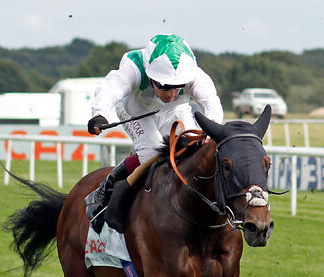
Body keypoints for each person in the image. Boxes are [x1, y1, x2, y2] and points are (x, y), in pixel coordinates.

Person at [86, 34, 224, 233]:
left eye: (178, 87)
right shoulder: (134, 67)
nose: (172, 94)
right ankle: (105, 190)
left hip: (176, 111)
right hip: (134, 111)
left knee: (192, 153)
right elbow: (110, 88)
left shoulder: (193, 74)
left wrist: (211, 126)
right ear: (150, 76)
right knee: (152, 153)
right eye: (165, 86)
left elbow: (211, 102)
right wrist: (99, 114)